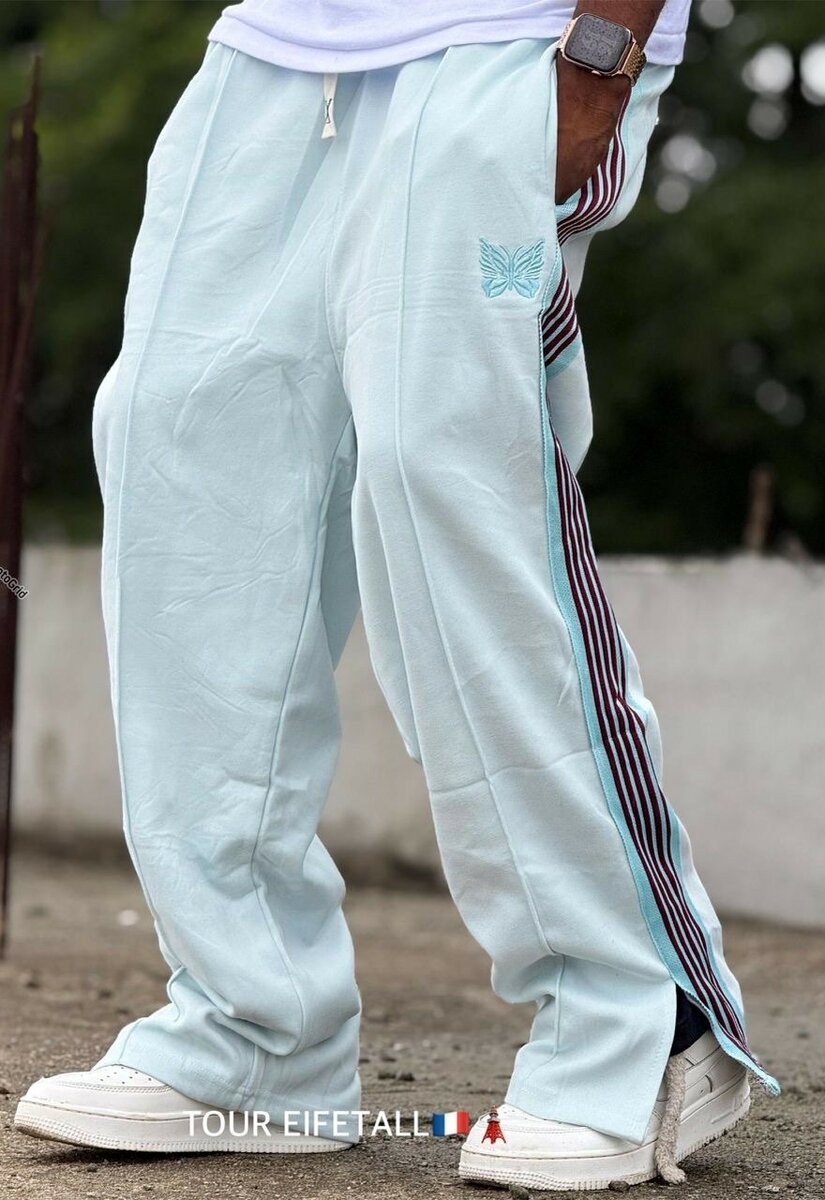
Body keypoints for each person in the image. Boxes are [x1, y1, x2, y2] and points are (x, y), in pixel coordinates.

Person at [15, 0, 778, 1189]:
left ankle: (640, 1020)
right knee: (179, 461)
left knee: (447, 475)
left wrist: (599, 61)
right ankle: (253, 1029)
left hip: (510, 43)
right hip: (272, 51)